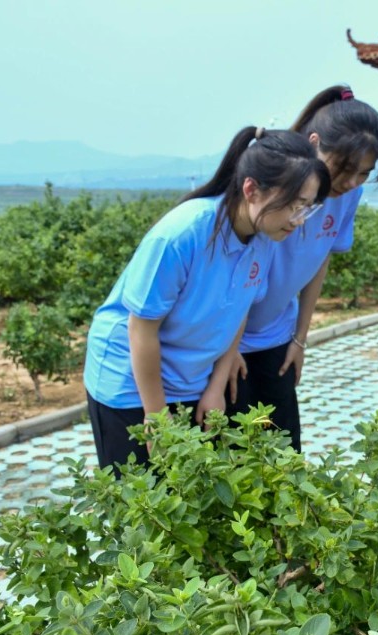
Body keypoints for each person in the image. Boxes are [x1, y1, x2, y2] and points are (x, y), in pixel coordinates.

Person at [84, 128, 330, 475]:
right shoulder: (183, 234)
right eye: (293, 205)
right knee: (141, 509)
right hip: (130, 382)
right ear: (251, 189)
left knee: (192, 503)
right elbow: (140, 329)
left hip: (190, 378)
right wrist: (156, 419)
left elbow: (239, 311)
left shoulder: (263, 238)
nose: (298, 220)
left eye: (307, 207)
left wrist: (215, 387)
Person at [227, 85, 378, 452]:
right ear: (314, 143)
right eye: (345, 169)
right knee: (234, 453)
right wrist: (227, 346)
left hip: (276, 337)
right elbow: (238, 269)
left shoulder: (347, 196)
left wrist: (300, 338)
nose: (351, 183)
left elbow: (320, 259)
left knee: (282, 452)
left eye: (364, 174)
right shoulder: (277, 186)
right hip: (229, 338)